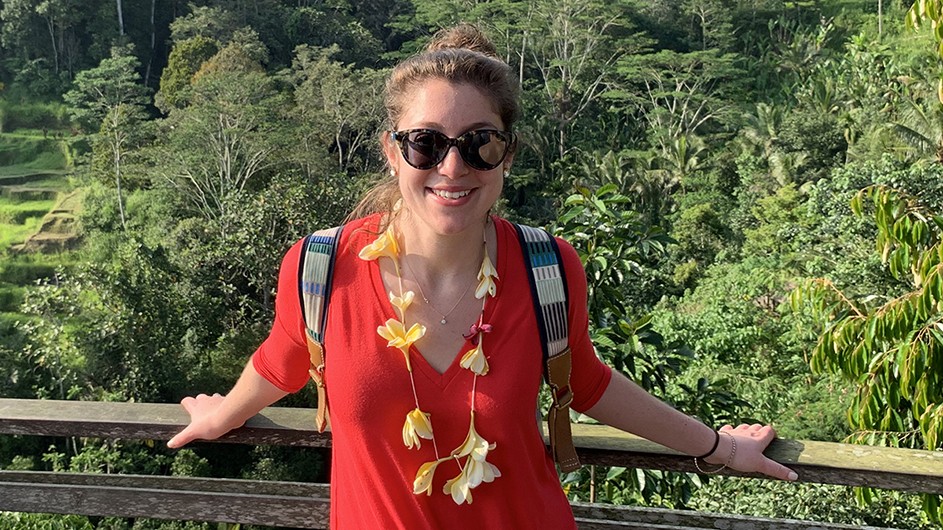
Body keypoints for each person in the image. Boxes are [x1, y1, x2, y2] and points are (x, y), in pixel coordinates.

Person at [167, 23, 797, 529]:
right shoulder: (321, 268)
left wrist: (717, 447)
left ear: (507, 154)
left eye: (479, 142)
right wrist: (224, 414)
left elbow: (587, 380)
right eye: (425, 143)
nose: (452, 166)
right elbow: (286, 355)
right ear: (392, 151)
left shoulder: (545, 268)